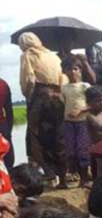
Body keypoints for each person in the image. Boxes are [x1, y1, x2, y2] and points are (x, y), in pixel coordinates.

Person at [18, 32, 66, 180]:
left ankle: (48, 172)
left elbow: (28, 79)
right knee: (57, 135)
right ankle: (62, 173)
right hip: (58, 98)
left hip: (40, 97)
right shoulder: (53, 56)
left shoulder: (27, 55)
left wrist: (28, 96)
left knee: (36, 136)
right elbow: (63, 78)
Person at [60, 56, 92, 187]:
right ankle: (75, 175)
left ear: (80, 70)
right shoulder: (64, 88)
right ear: (64, 71)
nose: (72, 72)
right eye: (69, 69)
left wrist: (80, 111)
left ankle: (84, 179)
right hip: (68, 123)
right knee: (70, 151)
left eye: (75, 69)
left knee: (82, 150)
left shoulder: (85, 86)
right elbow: (63, 103)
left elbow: (92, 104)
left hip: (82, 122)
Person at [0, 77, 14, 170]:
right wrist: (8, 131)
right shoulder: (3, 84)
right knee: (8, 162)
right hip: (3, 127)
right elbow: (9, 112)